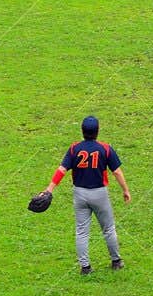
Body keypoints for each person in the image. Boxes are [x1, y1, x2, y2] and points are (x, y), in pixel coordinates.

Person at [37, 116, 131, 275]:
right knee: (108, 229)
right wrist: (125, 190)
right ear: (97, 131)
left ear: (82, 131)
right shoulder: (105, 148)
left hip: (79, 194)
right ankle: (116, 261)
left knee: (82, 231)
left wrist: (49, 189)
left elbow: (62, 170)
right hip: (100, 193)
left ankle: (85, 267)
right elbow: (116, 171)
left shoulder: (74, 148)